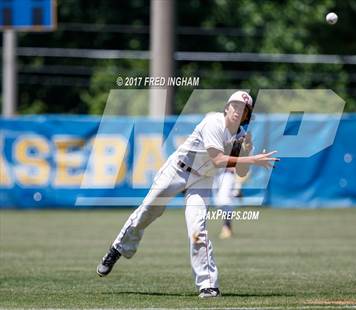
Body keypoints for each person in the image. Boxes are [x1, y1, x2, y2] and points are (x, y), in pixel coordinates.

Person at [96, 91, 278, 298]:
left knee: (197, 229)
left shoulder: (242, 137)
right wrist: (253, 159)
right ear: (227, 108)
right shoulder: (213, 122)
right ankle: (117, 248)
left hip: (203, 181)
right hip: (178, 170)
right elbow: (218, 159)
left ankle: (208, 285)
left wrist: (246, 151)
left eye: (243, 109)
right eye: (235, 106)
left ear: (247, 115)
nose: (238, 110)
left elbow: (241, 172)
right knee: (147, 211)